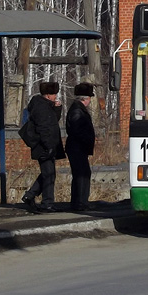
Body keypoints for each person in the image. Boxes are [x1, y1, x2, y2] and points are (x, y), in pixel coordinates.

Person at [21, 80, 64, 213]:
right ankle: (47, 203)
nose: (55, 97)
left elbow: (52, 121)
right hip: (43, 146)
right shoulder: (41, 107)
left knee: (48, 173)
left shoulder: (45, 106)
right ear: (48, 95)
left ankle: (30, 195)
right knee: (48, 174)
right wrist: (48, 146)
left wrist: (57, 108)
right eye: (54, 94)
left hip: (46, 145)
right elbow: (44, 128)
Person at [65, 82, 97, 212]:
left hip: (77, 147)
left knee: (82, 174)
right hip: (77, 147)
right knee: (82, 175)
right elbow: (77, 130)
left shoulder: (77, 109)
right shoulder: (78, 111)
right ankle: (80, 203)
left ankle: (80, 202)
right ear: (86, 98)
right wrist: (86, 140)